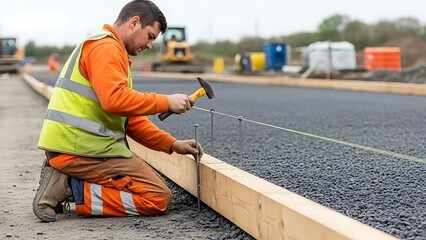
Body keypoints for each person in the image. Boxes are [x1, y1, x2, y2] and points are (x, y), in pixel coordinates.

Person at [33, 0, 203, 223]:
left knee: (156, 193)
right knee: (156, 198)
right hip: (81, 150)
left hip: (79, 146)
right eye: (150, 36)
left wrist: (171, 144)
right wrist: (166, 102)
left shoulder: (111, 50)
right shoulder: (106, 48)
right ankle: (69, 187)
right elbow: (116, 101)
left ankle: (67, 179)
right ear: (134, 22)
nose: (151, 45)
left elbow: (128, 119)